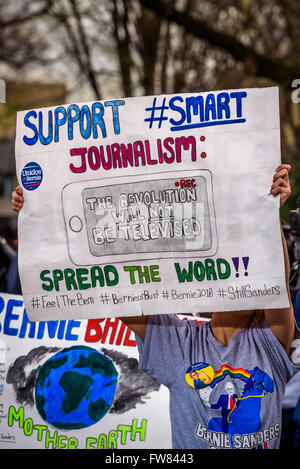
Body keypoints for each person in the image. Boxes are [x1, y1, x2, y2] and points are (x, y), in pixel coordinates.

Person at [12, 164, 298, 449]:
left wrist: (268, 211)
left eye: (251, 267)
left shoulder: (268, 343)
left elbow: (279, 284)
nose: (243, 277)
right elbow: (112, 291)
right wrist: (41, 215)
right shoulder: (177, 341)